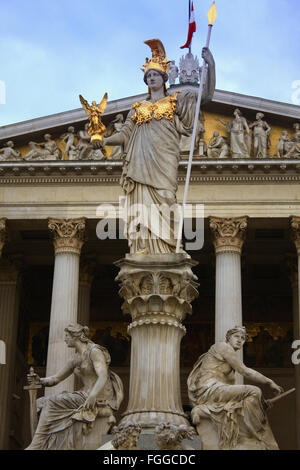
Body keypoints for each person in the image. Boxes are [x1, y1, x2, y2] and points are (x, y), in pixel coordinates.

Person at [103, 39, 215, 254]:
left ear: (164, 78)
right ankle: (144, 247)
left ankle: (167, 248)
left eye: (155, 75)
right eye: (148, 76)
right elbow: (125, 134)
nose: (152, 78)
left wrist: (210, 66)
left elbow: (206, 96)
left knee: (166, 200)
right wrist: (102, 139)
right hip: (140, 164)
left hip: (164, 162)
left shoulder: (176, 102)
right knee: (142, 207)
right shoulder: (138, 108)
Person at [26, 324, 123, 450]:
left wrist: (92, 396)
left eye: (67, 336)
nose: (65, 339)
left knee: (50, 403)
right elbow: (56, 378)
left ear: (76, 336)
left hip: (97, 395)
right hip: (84, 395)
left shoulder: (94, 351)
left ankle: (36, 445)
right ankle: (44, 443)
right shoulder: (76, 358)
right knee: (40, 403)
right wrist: (40, 380)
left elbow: (103, 376)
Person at [187, 326, 283, 450]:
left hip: (216, 390)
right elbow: (245, 371)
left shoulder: (227, 360)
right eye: (236, 336)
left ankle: (249, 437)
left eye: (243, 338)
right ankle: (257, 435)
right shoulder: (223, 347)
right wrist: (269, 382)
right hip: (210, 390)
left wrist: (261, 404)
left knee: (251, 398)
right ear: (228, 337)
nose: (239, 340)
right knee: (254, 391)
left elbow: (239, 399)